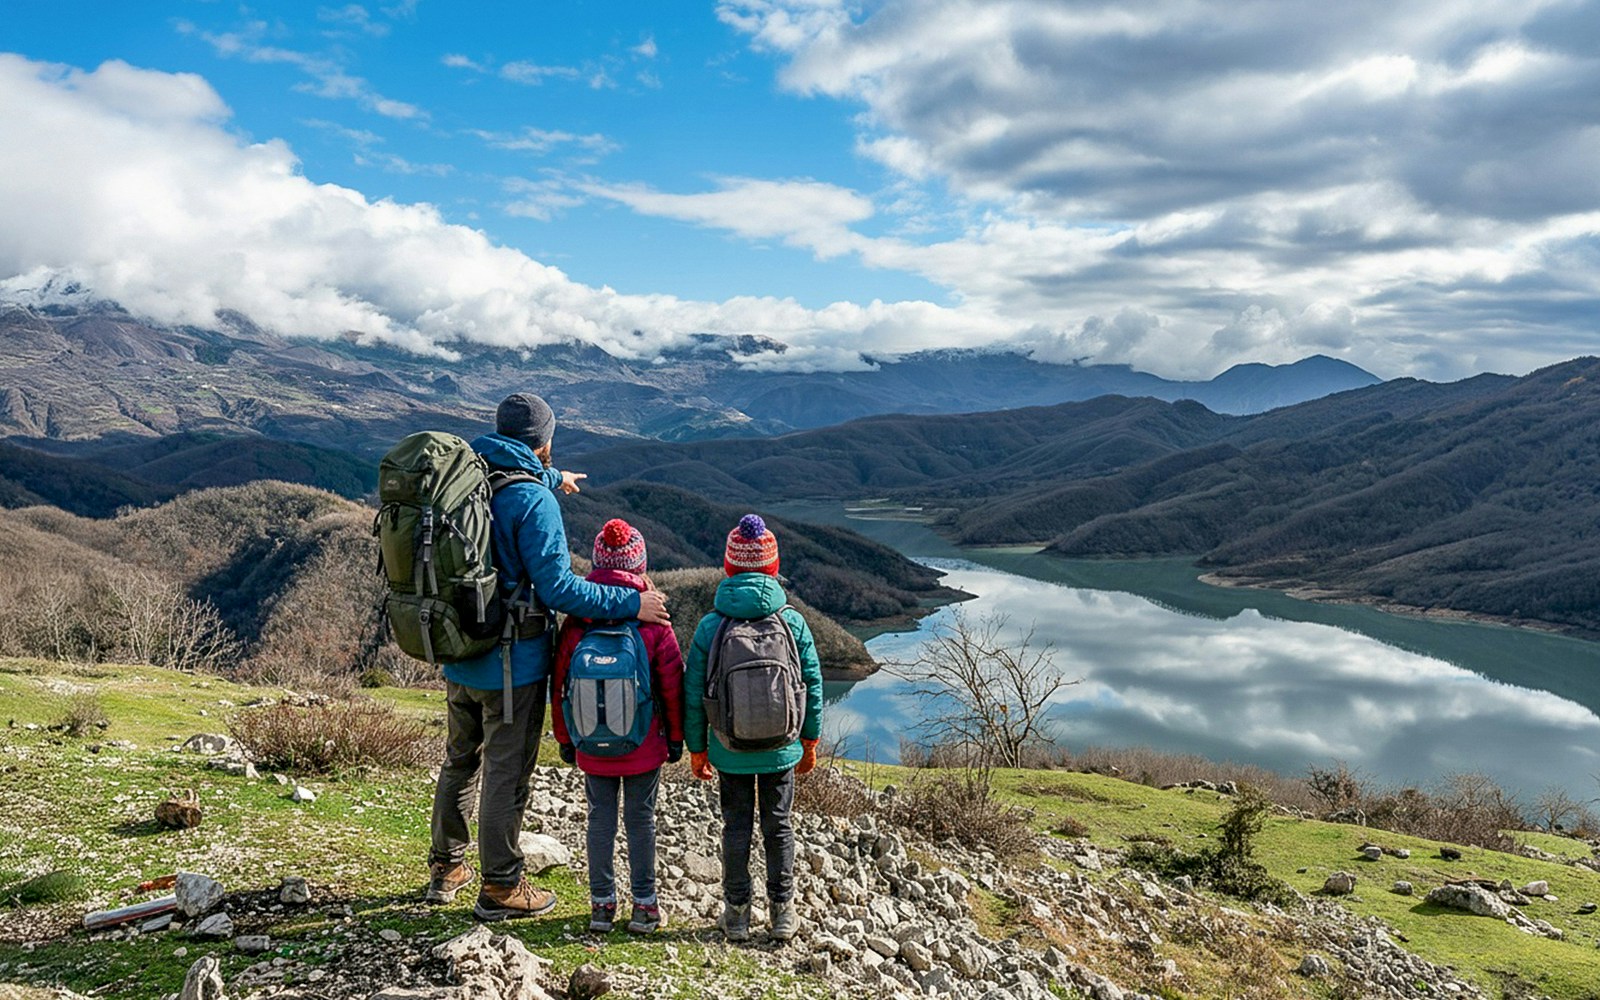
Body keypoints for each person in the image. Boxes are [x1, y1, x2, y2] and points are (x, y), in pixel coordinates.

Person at [426, 393, 671, 922]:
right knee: (506, 772)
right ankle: (501, 887)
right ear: (545, 442)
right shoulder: (533, 502)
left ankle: (446, 867)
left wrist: (555, 476)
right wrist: (635, 603)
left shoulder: (468, 478)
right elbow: (560, 589)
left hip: (459, 651)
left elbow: (514, 480)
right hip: (512, 663)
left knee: (460, 759)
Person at [684, 514, 823, 943]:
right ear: (772, 568)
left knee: (736, 826)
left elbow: (693, 692)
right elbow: (812, 682)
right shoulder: (791, 622)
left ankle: (737, 914)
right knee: (778, 825)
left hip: (730, 748)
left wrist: (697, 747)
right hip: (782, 746)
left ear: (728, 568)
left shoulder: (712, 625)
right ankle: (783, 913)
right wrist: (810, 739)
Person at [550, 518, 685, 935]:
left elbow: (560, 686)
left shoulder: (578, 620)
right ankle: (645, 907)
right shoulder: (654, 619)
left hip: (591, 742)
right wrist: (676, 739)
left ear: (597, 564)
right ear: (640, 564)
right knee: (641, 821)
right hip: (643, 744)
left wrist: (566, 738)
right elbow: (672, 685)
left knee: (599, 820)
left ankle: (601, 905)